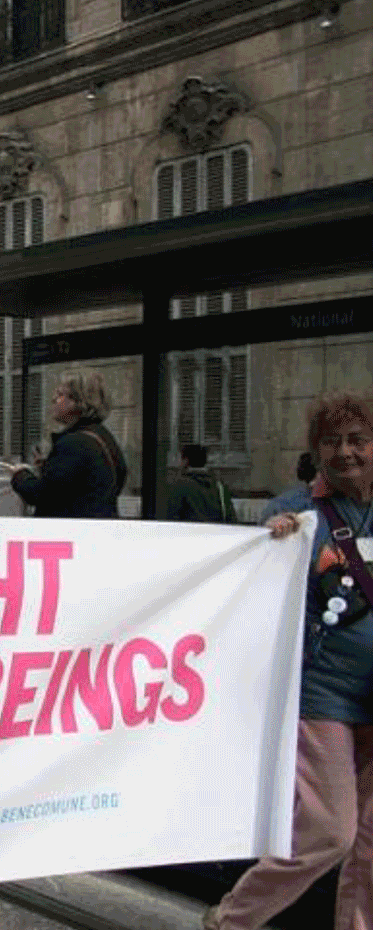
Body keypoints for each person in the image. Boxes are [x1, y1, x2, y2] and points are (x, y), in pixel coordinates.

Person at [205, 391, 373, 930]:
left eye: (357, 441)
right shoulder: (296, 510)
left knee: (371, 847)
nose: (345, 452)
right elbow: (254, 583)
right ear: (316, 450)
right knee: (330, 832)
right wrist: (269, 542)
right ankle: (233, 920)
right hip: (324, 691)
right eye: (332, 441)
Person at [9, 373, 126, 519]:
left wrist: (20, 475)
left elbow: (43, 494)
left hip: (73, 533)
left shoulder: (75, 443)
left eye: (60, 395)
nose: (54, 400)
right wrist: (49, 467)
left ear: (78, 401)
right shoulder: (103, 437)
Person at [163, 443, 236, 523]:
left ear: (186, 460)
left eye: (181, 459)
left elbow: (172, 517)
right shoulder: (219, 486)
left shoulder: (179, 485)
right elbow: (231, 517)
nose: (179, 463)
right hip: (215, 533)